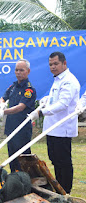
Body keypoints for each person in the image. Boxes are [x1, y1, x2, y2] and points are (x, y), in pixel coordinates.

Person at [30, 52, 80, 194]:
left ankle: (66, 191)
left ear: (64, 63)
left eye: (56, 64)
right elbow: (56, 100)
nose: (53, 67)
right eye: (51, 64)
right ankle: (60, 189)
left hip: (62, 129)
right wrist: (46, 99)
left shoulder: (69, 81)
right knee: (55, 159)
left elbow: (63, 104)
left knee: (63, 162)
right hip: (52, 128)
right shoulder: (58, 79)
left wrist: (40, 112)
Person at [0, 59, 36, 172]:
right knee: (12, 158)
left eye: (21, 70)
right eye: (16, 70)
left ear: (28, 71)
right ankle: (14, 181)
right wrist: (2, 104)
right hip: (11, 127)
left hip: (22, 129)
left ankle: (26, 183)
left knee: (23, 159)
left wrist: (4, 112)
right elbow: (3, 97)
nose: (18, 72)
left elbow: (20, 107)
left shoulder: (29, 89)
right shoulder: (13, 87)